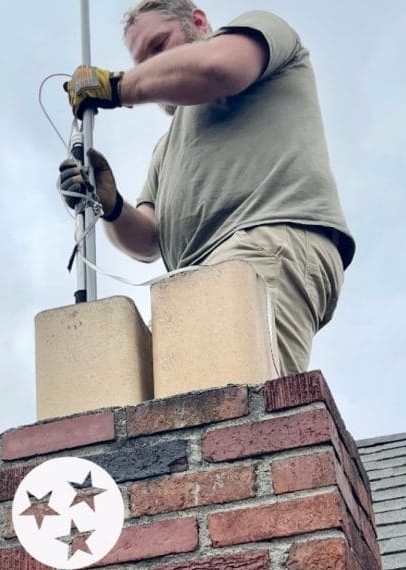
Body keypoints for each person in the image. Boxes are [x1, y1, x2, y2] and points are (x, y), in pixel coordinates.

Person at [58, 0, 355, 376]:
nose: (150, 65)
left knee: (237, 397)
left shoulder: (258, 30)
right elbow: (149, 240)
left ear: (198, 22)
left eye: (159, 46)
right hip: (197, 279)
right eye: (140, 62)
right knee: (201, 413)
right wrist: (111, 205)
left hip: (264, 239)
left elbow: (218, 67)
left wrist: (117, 87)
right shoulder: (166, 149)